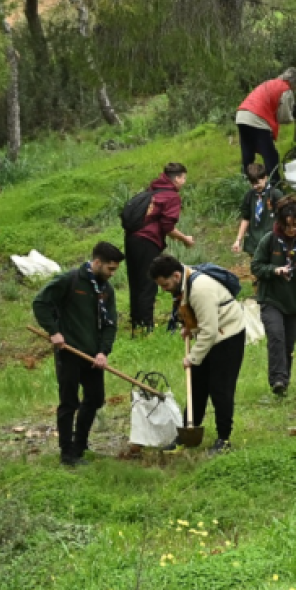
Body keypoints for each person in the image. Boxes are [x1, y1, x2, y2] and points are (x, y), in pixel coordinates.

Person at [32, 242, 123, 466]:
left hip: (93, 357)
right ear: (97, 262)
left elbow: (110, 323)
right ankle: (67, 454)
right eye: (110, 269)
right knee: (69, 402)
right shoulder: (70, 280)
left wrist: (103, 351)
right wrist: (54, 332)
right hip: (69, 352)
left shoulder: (105, 290)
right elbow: (40, 302)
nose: (112, 274)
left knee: (95, 398)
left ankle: (80, 446)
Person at [151, 255, 246, 455]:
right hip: (209, 334)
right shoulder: (183, 284)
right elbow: (201, 319)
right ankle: (187, 434)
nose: (164, 289)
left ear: (176, 275)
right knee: (196, 387)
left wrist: (192, 358)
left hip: (227, 337)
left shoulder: (200, 289)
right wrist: (190, 328)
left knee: (220, 389)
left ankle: (224, 439)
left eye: (166, 284)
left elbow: (210, 331)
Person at [252, 199, 296, 396]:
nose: (291, 229)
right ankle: (277, 379)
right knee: (276, 337)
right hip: (271, 299)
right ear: (280, 223)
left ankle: (284, 381)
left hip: (294, 302)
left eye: (295, 224)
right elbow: (256, 266)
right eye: (286, 225)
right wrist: (275, 270)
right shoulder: (269, 240)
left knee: (288, 343)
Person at [124, 163, 193, 334]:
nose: (184, 182)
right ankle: (146, 326)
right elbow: (167, 227)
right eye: (183, 178)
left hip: (131, 239)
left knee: (136, 281)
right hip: (148, 240)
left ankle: (137, 323)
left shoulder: (152, 191)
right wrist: (185, 239)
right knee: (149, 282)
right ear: (177, 178)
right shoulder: (171, 197)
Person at [235, 68, 296, 185]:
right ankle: (274, 183)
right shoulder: (286, 89)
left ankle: (245, 181)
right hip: (257, 118)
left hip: (242, 115)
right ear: (295, 83)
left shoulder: (269, 83)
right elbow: (284, 117)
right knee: (270, 155)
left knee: (248, 152)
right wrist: (294, 115)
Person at [232, 163, 283, 256]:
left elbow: (283, 216)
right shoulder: (249, 196)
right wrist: (238, 240)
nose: (255, 187)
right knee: (257, 266)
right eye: (253, 184)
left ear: (265, 178)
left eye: (258, 183)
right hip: (254, 241)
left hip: (272, 239)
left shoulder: (275, 194)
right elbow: (245, 218)